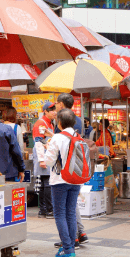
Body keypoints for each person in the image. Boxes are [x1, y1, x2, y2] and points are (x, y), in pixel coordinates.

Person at [51, 93, 89, 245]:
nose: (55, 105)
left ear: (61, 104)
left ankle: (69, 242)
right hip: (76, 170)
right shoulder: (78, 120)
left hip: (62, 173)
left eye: (57, 102)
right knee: (71, 208)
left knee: (62, 211)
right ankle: (77, 236)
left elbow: (52, 157)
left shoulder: (60, 126)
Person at [44, 109, 82, 257]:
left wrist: (47, 149)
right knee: (70, 212)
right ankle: (71, 246)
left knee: (60, 214)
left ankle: (67, 248)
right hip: (75, 179)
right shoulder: (78, 136)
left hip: (59, 180)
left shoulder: (57, 138)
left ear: (59, 123)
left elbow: (48, 161)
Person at [32, 102, 56, 219]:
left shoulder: (49, 123)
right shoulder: (41, 123)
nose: (54, 112)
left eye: (55, 109)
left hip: (46, 154)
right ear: (45, 111)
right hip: (42, 154)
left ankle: (43, 210)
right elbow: (38, 141)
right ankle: (48, 210)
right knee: (46, 182)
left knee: (43, 182)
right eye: (52, 110)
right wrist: (42, 160)